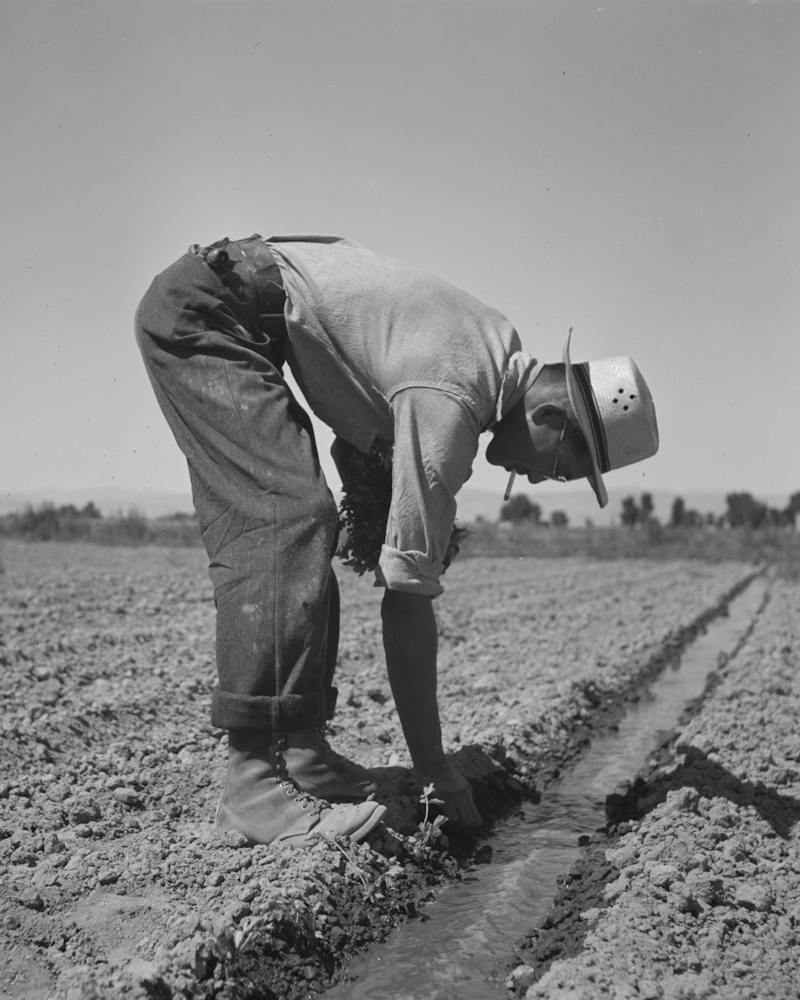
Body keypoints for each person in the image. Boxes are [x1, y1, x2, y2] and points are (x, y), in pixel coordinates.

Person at [135, 234, 659, 848]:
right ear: (549, 420)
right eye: (566, 467)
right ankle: (253, 784)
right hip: (208, 312)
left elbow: (355, 404)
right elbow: (407, 598)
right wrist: (433, 766)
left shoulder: (491, 348)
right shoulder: (456, 397)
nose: (547, 480)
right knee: (286, 516)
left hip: (238, 306)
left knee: (304, 520)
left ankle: (301, 753)